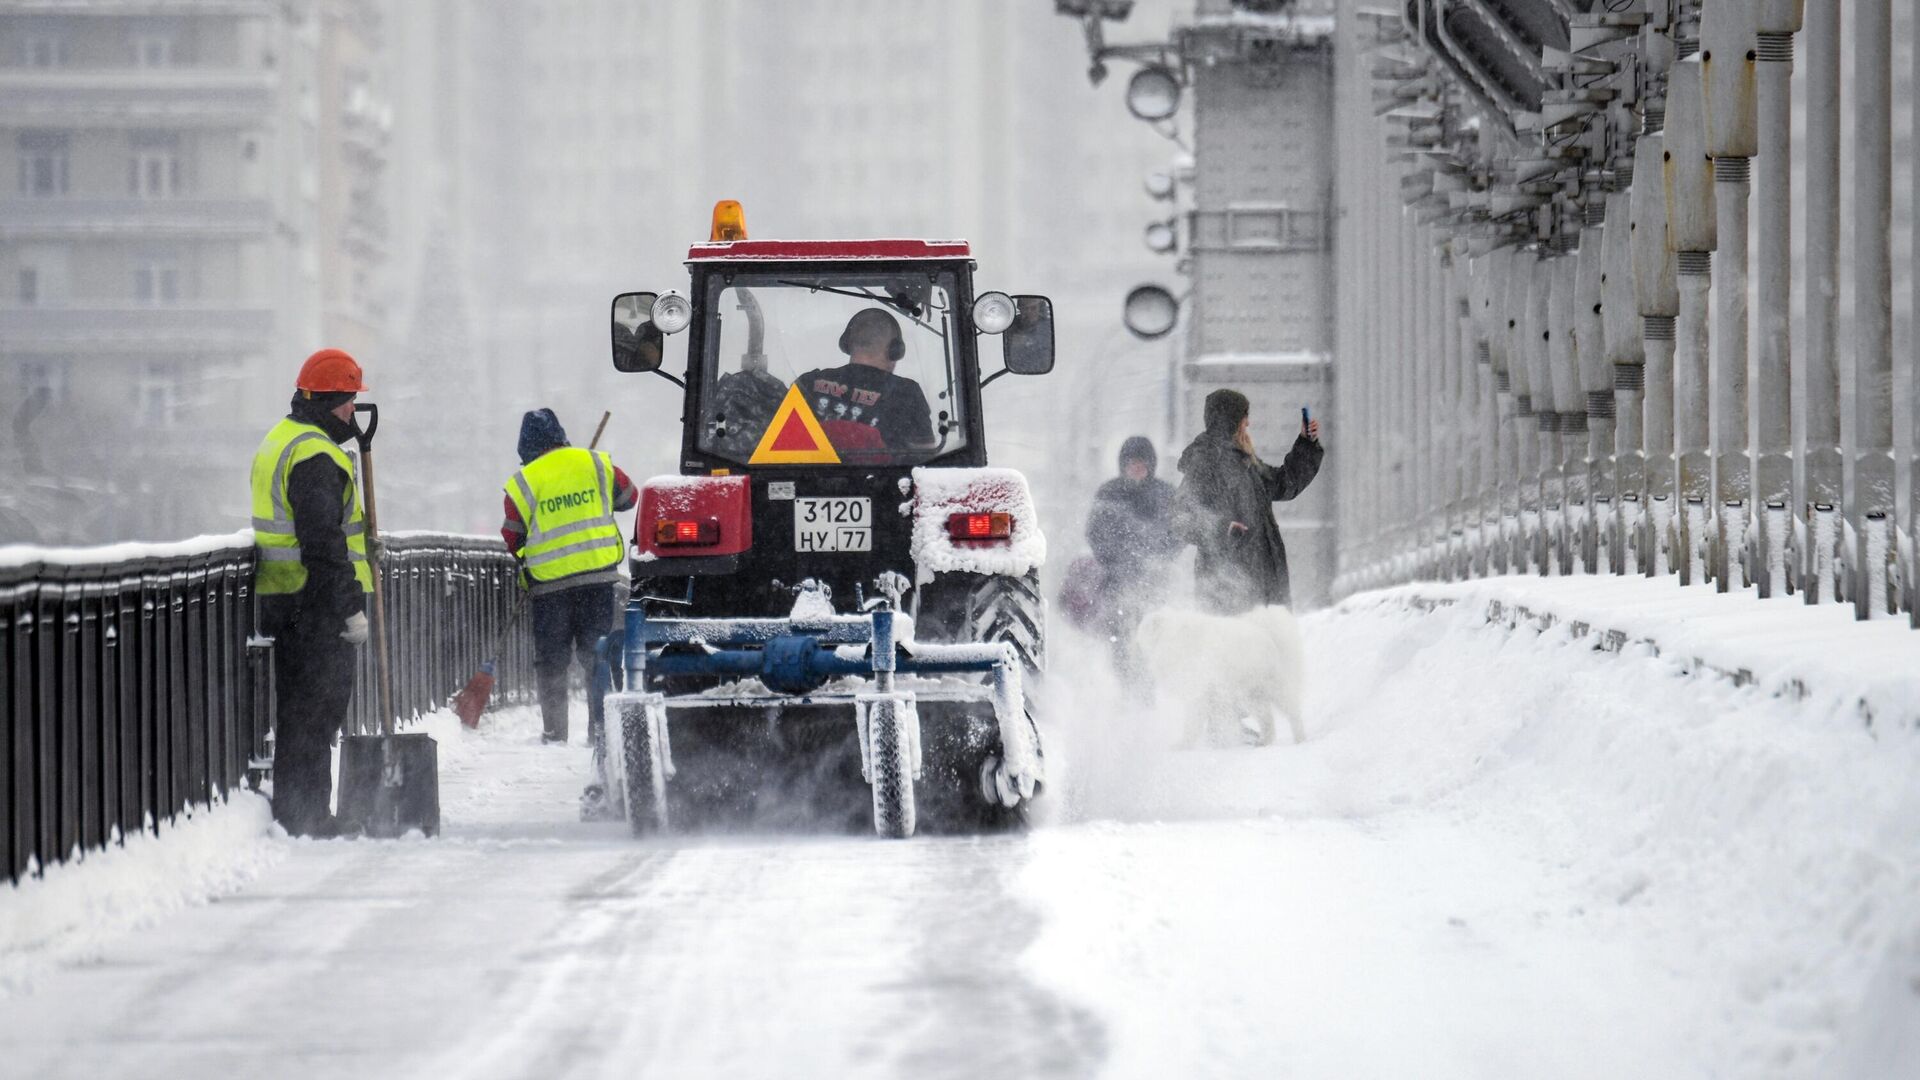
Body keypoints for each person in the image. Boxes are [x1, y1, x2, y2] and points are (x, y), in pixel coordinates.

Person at [249, 348, 373, 838]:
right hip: (314, 604)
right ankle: (307, 816)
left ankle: (302, 811)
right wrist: (349, 610)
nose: (352, 412)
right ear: (328, 401)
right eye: (348, 402)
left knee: (301, 711)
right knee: (315, 713)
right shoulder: (315, 455)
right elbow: (323, 542)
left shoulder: (285, 439)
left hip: (285, 598)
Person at [502, 408, 638, 744]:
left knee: (551, 660)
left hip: (550, 587)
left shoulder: (524, 481)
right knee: (597, 654)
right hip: (597, 579)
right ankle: (600, 728)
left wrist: (529, 558)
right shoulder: (596, 464)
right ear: (562, 437)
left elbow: (512, 536)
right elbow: (629, 497)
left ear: (526, 449)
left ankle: (554, 732)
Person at [1173, 389, 1325, 613]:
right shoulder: (1205, 460)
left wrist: (1306, 444)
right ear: (1230, 420)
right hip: (1227, 592)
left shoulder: (1245, 463)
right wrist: (1222, 529)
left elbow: (1285, 483)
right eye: (1244, 417)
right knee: (1237, 647)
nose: (1248, 423)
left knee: (1263, 646)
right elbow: (1182, 518)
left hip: (1261, 587)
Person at [1084, 435, 1179, 666]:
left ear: (1151, 465)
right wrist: (1115, 560)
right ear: (1123, 465)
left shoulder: (1165, 494)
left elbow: (1178, 534)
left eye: (1142, 463)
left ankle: (1150, 685)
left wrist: (1159, 558)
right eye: (1132, 463)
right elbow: (1094, 533)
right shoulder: (1109, 493)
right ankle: (1124, 685)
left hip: (1156, 583)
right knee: (1120, 640)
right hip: (1117, 582)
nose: (1137, 468)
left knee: (1154, 638)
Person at [791, 308, 935, 450]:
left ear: (847, 344)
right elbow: (925, 462)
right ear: (895, 351)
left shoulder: (808, 383)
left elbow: (785, 448)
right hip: (885, 474)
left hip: (812, 474)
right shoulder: (907, 393)